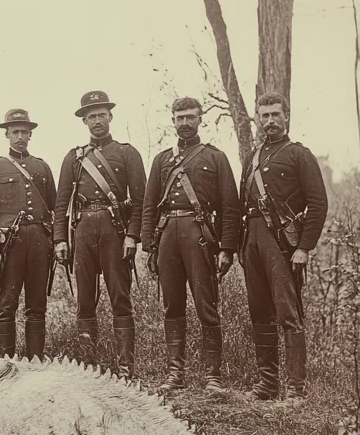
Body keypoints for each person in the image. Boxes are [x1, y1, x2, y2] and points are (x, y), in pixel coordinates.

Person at [141, 96, 240, 395]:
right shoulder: (161, 160)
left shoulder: (215, 157)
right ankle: (175, 375)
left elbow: (230, 206)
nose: (185, 123)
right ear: (172, 120)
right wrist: (150, 246)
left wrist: (227, 248)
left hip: (200, 237)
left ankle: (213, 377)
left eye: (190, 117)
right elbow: (149, 205)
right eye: (180, 117)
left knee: (206, 306)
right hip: (167, 235)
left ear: (200, 119)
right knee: (172, 306)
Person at [239, 91, 328, 401]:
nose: (270, 121)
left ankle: (295, 389)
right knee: (260, 313)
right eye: (264, 115)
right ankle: (267, 384)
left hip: (283, 244)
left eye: (275, 114)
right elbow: (242, 204)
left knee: (288, 313)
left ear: (286, 116)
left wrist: (304, 246)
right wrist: (242, 245)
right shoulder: (252, 157)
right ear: (258, 118)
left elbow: (318, 203)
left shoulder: (299, 155)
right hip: (252, 240)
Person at [54, 90, 146, 378]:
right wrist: (60, 239)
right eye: (91, 116)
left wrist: (132, 236)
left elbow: (141, 200)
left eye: (101, 114)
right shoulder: (73, 158)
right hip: (82, 231)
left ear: (110, 117)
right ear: (84, 120)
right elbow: (61, 202)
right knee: (84, 299)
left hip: (114, 230)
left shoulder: (127, 153)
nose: (97, 120)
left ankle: (125, 368)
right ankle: (88, 369)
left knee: (120, 297)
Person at [0, 109, 56, 359]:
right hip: (10, 247)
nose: (20, 137)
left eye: (25, 132)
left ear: (31, 134)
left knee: (37, 306)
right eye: (15, 132)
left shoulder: (42, 167)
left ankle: (35, 362)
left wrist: (53, 243)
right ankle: (6, 363)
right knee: (6, 306)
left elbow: (54, 208)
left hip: (38, 243)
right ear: (7, 134)